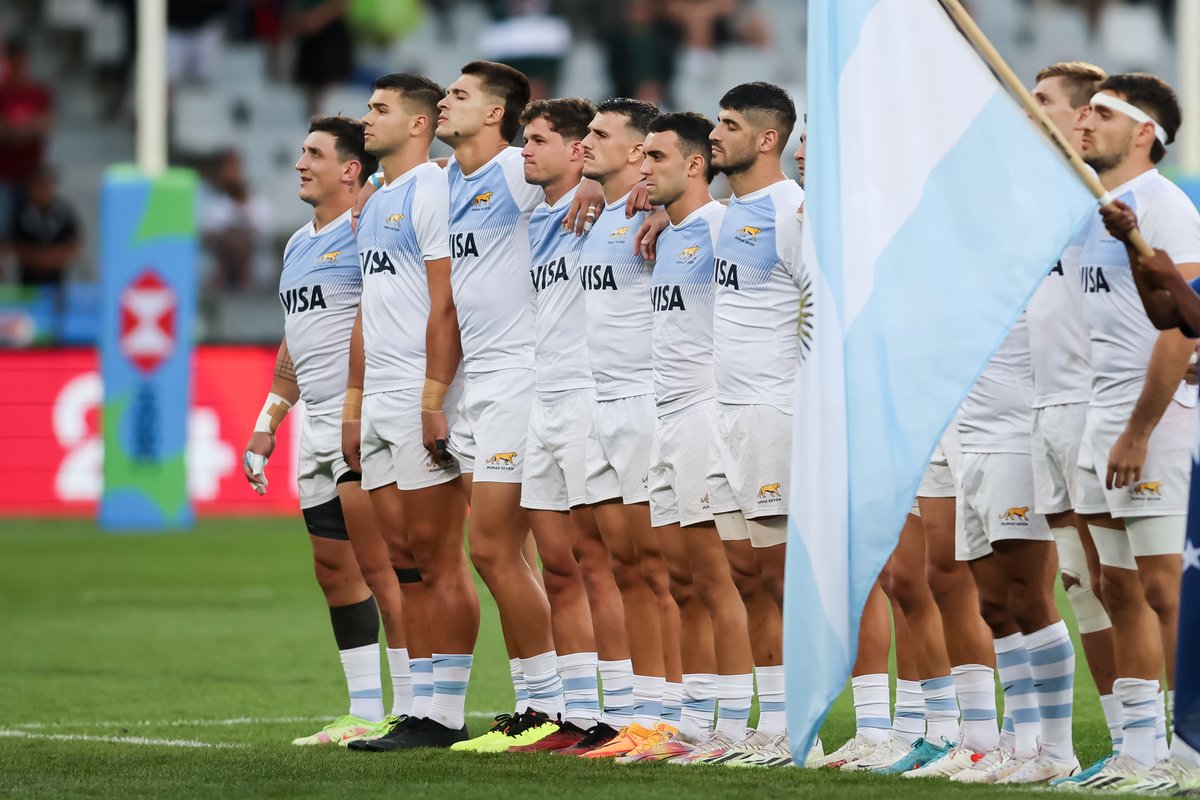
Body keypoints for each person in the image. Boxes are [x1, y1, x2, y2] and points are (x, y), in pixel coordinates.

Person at [241, 115, 408, 747]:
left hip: (358, 414)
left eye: (313, 153)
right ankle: (363, 711)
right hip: (312, 418)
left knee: (383, 567)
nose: (299, 163)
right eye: (299, 151)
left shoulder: (369, 232)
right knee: (333, 569)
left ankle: (415, 710)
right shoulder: (295, 243)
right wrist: (268, 422)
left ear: (351, 169)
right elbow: (298, 337)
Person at [422, 61, 566, 751]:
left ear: (493, 114)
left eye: (458, 95)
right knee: (507, 555)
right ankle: (540, 705)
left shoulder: (517, 169)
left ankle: (547, 708)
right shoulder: (448, 181)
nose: (444, 102)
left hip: (520, 374)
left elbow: (583, 158)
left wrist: (600, 192)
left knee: (494, 549)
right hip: (477, 382)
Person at [1067, 72, 1200, 792]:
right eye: (1083, 110)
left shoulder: (1167, 207)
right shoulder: (1098, 209)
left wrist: (1139, 431)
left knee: (1163, 589)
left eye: (1103, 113)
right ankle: (1141, 750)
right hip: (1097, 416)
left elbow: (1181, 333)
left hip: (1155, 423)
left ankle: (1186, 752)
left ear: (1144, 131)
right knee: (1114, 588)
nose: (1084, 123)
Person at [342, 73, 478, 753]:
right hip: (382, 397)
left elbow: (445, 299)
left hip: (426, 392)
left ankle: (447, 713)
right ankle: (420, 705)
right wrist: (354, 403)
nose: (367, 120)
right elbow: (369, 308)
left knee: (438, 556)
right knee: (401, 560)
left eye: (380, 109)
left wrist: (434, 397)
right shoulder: (375, 201)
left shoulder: (432, 188)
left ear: (420, 124)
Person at [618, 111, 757, 765]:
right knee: (680, 580)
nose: (642, 170)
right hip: (664, 414)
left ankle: (733, 723)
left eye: (656, 159)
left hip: (709, 413)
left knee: (716, 579)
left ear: (697, 164)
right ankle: (696, 726)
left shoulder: (724, 226)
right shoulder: (667, 232)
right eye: (639, 157)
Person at [508, 96, 632, 754]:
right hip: (542, 398)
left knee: (597, 564)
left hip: (589, 396)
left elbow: (654, 166)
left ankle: (623, 712)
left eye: (537, 139)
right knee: (557, 566)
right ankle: (578, 717)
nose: (524, 149)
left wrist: (595, 179)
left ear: (577, 149)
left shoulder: (606, 206)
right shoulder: (532, 213)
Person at [568, 97, 684, 761]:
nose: (586, 142)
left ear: (641, 153)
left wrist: (665, 202)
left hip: (646, 402)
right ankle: (644, 713)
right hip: (600, 403)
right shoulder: (601, 214)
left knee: (659, 569)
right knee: (623, 568)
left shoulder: (653, 213)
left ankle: (673, 715)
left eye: (601, 135)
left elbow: (701, 177)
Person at [704, 81, 811, 766]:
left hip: (774, 413)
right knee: (743, 576)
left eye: (730, 123)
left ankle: (798, 723)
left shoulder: (792, 211)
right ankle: (768, 722)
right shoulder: (720, 215)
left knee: (778, 577)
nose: (716, 134)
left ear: (767, 139)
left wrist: (798, 398)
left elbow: (819, 308)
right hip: (722, 415)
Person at [1025, 60, 1124, 788]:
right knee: (1079, 583)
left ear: (1086, 113)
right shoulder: (1031, 198)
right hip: (1041, 406)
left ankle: (1155, 743)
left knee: (1126, 582)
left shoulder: (1111, 198)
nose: (1032, 110)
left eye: (1045, 101)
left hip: (1097, 405)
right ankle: (1120, 743)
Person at [11, 166, 80, 287]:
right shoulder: (20, 211)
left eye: (46, 186)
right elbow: (14, 245)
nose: (43, 191)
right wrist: (38, 259)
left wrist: (53, 258)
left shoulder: (64, 211)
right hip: (27, 280)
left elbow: (74, 243)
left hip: (58, 280)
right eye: (39, 186)